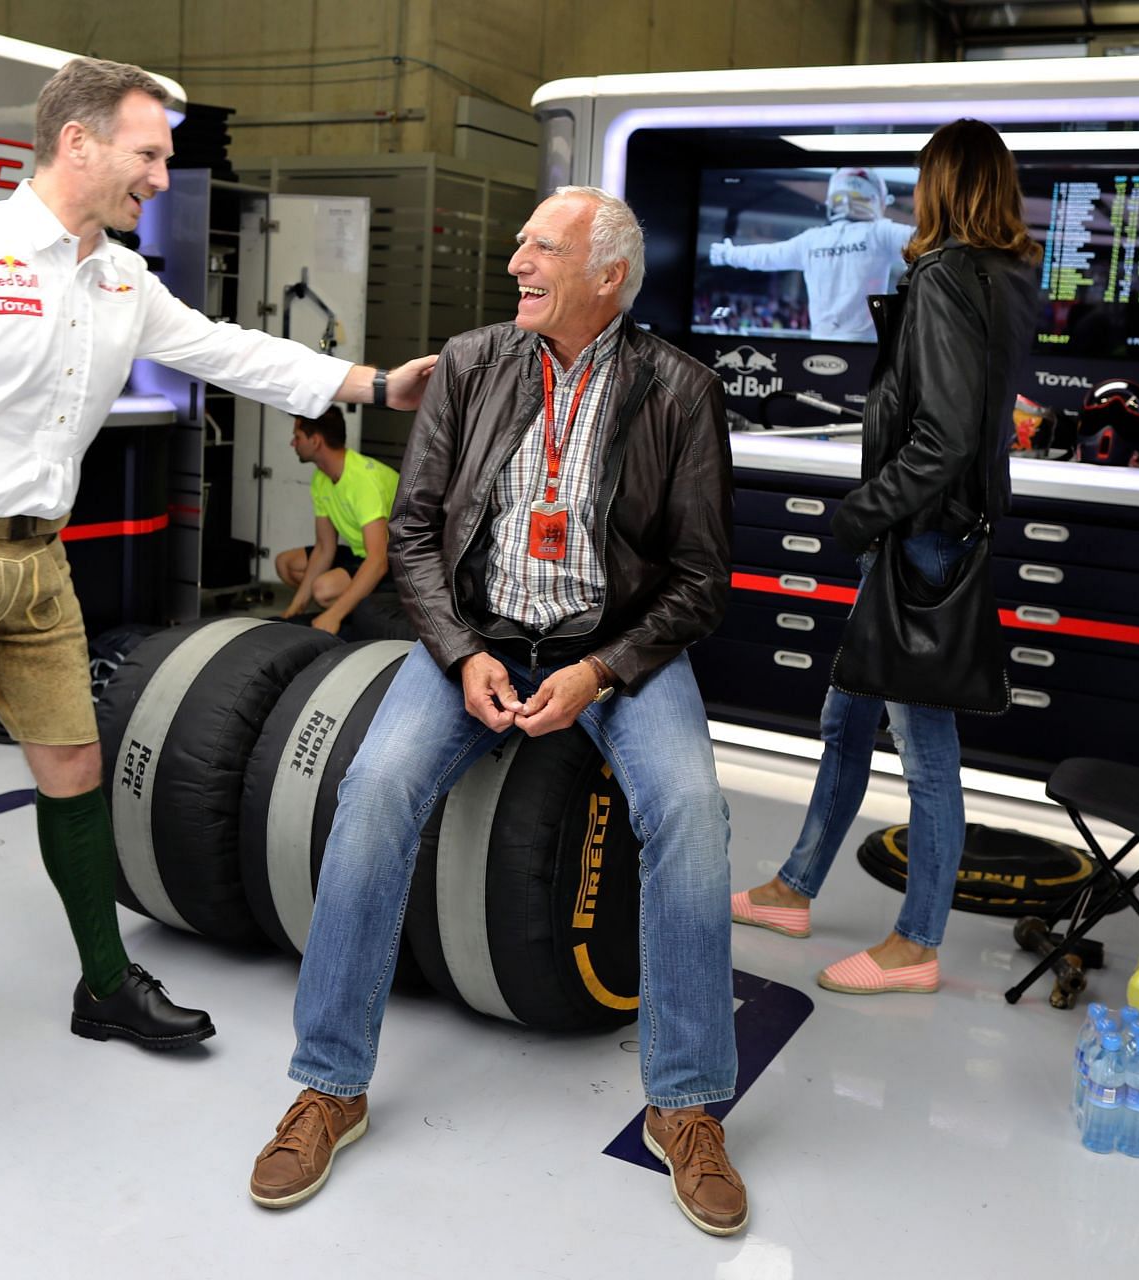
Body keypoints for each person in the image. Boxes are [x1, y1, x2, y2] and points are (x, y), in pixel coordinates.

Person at [0, 56, 438, 1057]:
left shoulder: (121, 279)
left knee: (73, 759)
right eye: (148, 154)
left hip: (37, 560)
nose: (161, 178)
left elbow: (230, 348)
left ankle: (105, 984)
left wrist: (373, 384)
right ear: (79, 143)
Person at [248, 186, 746, 1235]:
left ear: (606, 276)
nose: (516, 259)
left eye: (540, 247)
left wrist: (603, 672)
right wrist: (462, 650)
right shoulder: (472, 364)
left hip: (612, 649)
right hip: (475, 633)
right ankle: (328, 1084)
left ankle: (687, 1103)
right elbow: (418, 532)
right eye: (521, 241)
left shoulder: (680, 390)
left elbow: (701, 579)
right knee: (374, 788)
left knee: (695, 811)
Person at [731, 119, 1042, 995]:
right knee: (846, 719)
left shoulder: (945, 276)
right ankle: (795, 888)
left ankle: (918, 942)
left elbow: (941, 436)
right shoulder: (1010, 276)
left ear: (942, 184)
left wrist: (859, 516)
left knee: (924, 744)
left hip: (919, 536)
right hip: (934, 528)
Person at [708, 167, 914, 342]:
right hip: (867, 350)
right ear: (875, 199)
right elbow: (932, 241)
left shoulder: (812, 240)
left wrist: (727, 254)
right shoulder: (881, 233)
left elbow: (767, 256)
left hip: (820, 344)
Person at [274, 407, 399, 634]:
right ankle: (350, 602)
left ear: (316, 441)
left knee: (323, 589)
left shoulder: (363, 481)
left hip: (396, 561)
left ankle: (349, 609)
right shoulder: (321, 478)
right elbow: (324, 547)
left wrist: (333, 616)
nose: (293, 443)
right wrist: (294, 610)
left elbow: (379, 559)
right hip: (362, 553)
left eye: (297, 437)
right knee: (286, 564)